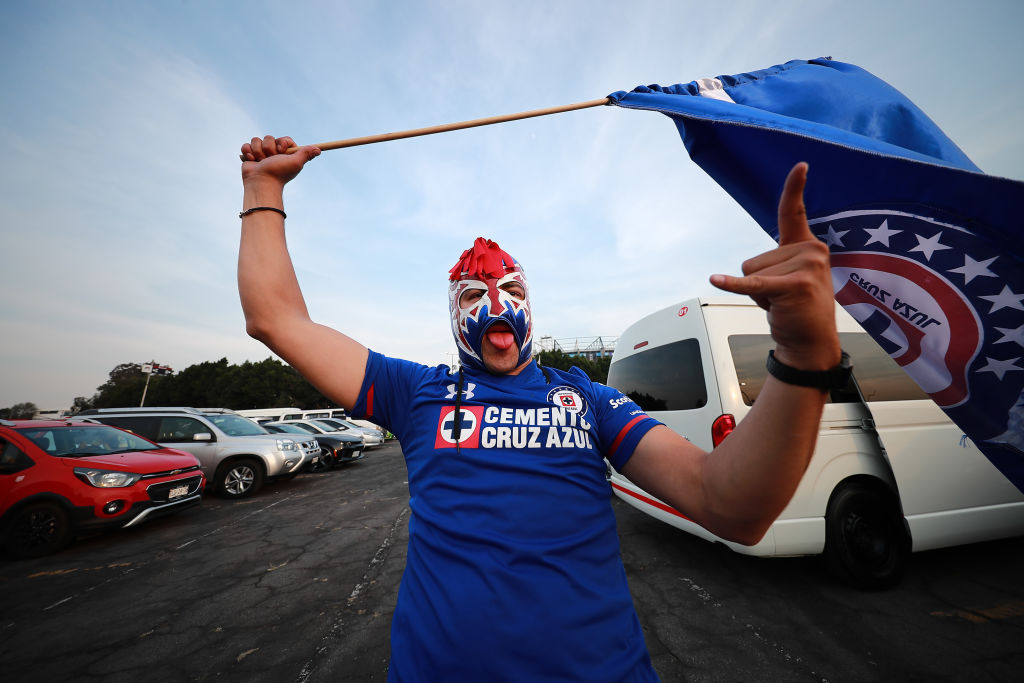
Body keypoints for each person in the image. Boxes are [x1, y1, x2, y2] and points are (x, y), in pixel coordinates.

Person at [238, 135, 843, 682]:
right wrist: (264, 189)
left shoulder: (589, 398)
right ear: (452, 314)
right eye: (474, 295)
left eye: (514, 292)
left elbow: (730, 507)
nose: (497, 305)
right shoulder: (414, 391)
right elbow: (276, 318)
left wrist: (801, 354)